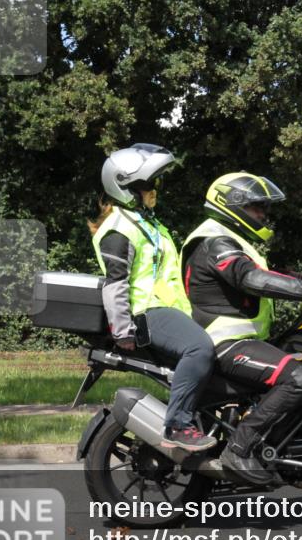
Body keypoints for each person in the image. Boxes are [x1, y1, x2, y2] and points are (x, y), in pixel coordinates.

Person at [180, 172, 302, 483]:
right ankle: (238, 448)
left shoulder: (232, 240)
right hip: (225, 343)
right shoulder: (214, 241)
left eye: (264, 208)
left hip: (246, 339)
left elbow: (272, 274)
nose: (263, 214)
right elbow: (253, 279)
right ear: (230, 205)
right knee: (298, 378)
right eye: (256, 207)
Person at [89, 143, 216, 452]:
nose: (154, 189)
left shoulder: (148, 224)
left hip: (169, 311)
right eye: (147, 184)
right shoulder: (119, 230)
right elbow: (115, 283)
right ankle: (177, 426)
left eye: (155, 183)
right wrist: (123, 331)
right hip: (146, 313)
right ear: (125, 188)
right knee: (199, 348)